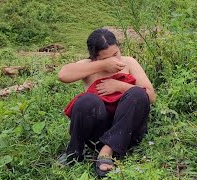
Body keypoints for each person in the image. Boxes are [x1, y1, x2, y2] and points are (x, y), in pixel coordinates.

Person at [58, 28, 156, 177]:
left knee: (137, 93)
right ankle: (75, 151)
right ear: (94, 58)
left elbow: (150, 96)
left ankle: (107, 150)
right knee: (86, 100)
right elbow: (63, 74)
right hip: (98, 129)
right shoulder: (88, 66)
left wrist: (120, 86)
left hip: (127, 129)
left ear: (119, 47)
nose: (114, 61)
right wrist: (102, 66)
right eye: (106, 58)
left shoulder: (128, 62)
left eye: (116, 54)